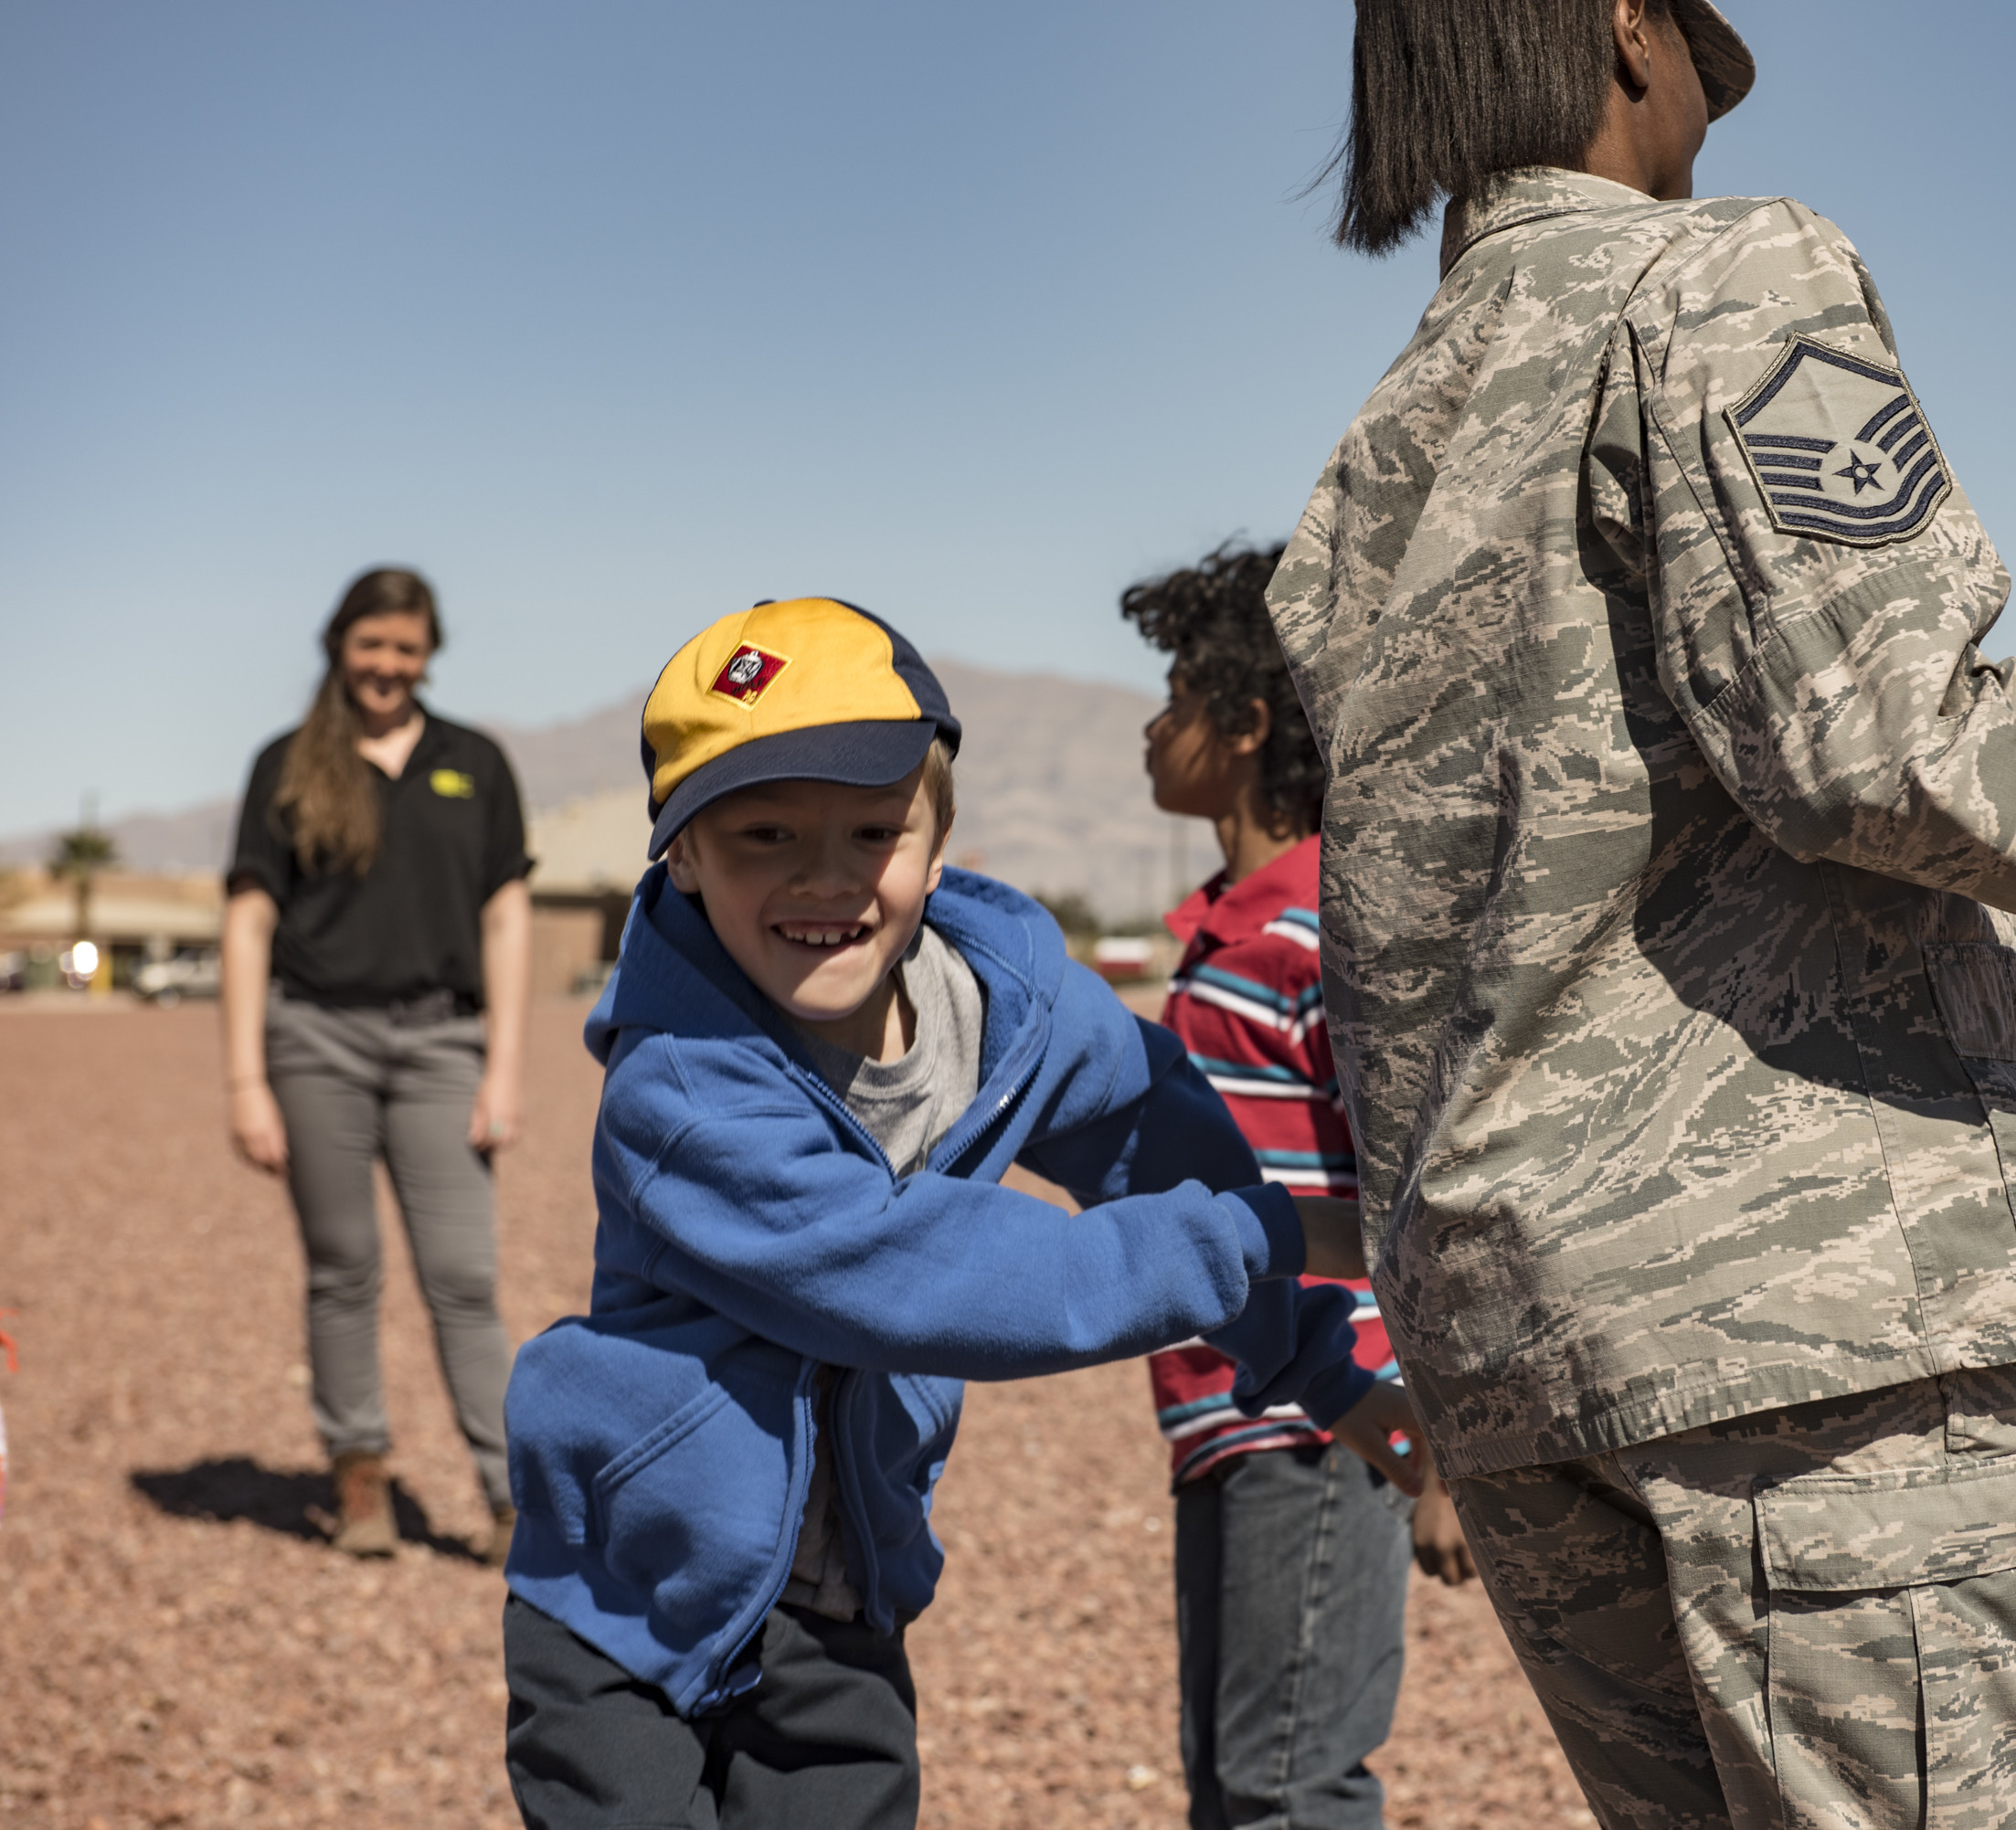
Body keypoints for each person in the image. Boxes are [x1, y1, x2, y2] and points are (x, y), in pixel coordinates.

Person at [1267, 5, 2016, 1826]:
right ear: (1624, 26)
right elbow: (1882, 737)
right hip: (1810, 1318)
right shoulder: (1722, 276)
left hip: (1519, 1345)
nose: (1709, 122)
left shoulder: (1381, 452)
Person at [497, 598, 1427, 1830]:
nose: (823, 877)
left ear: (938, 841)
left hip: (842, 1601)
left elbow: (1162, 1140)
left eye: (871, 829)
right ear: (682, 857)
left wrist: (1325, 1370)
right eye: (763, 833)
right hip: (630, 1606)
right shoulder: (681, 1086)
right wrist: (1275, 1231)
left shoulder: (1009, 1006)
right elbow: (931, 1274)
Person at [1124, 543, 1476, 1830]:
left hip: (1323, 1417)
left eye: (1173, 696)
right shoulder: (1224, 928)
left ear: (1249, 722)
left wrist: (1439, 1454)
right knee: (1228, 1778)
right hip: (1223, 1412)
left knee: (1291, 1784)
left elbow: (1422, 1180)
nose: (1150, 726)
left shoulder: (1324, 927)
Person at [221, 566, 531, 1560]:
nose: (387, 666)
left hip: (445, 1043)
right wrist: (245, 1080)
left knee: (463, 1275)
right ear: (338, 645)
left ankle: (510, 1497)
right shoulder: (287, 764)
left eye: (406, 648)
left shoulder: (474, 762)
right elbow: (249, 919)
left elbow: (506, 913)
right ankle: (360, 1480)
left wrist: (505, 1066)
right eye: (372, 645)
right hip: (316, 1042)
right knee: (343, 1267)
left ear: (428, 655)